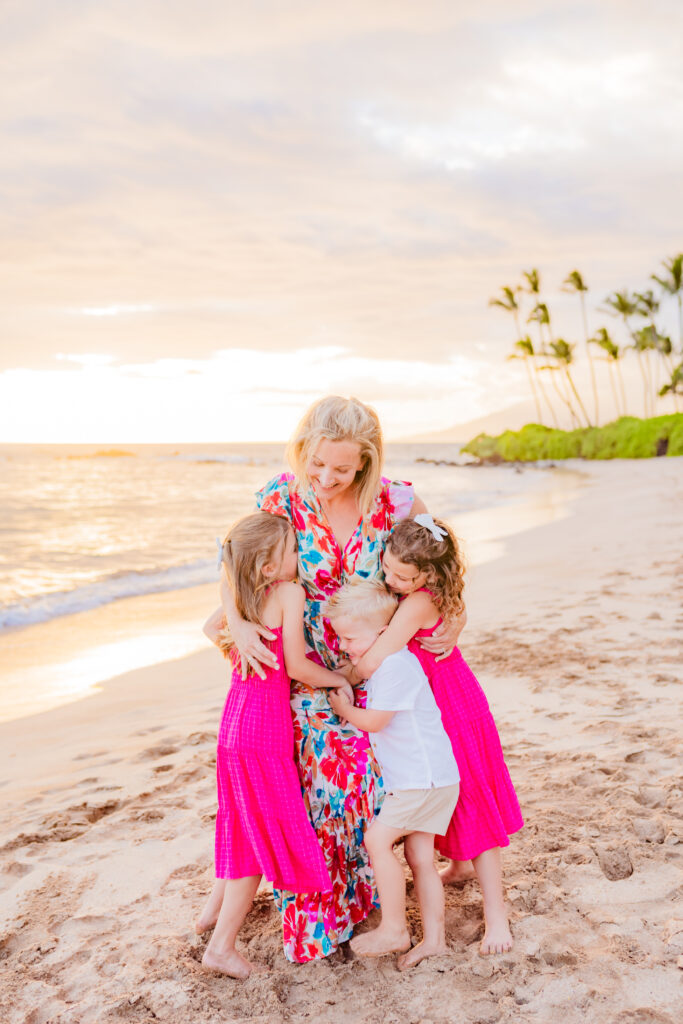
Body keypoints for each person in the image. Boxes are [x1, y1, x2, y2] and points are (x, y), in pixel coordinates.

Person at [203, 396, 465, 962]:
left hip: (373, 663)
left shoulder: (395, 500)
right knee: (312, 761)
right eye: (316, 462)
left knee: (369, 762)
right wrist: (240, 620)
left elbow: (439, 561)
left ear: (366, 462)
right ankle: (316, 904)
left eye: (341, 469)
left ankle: (365, 892)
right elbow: (234, 560)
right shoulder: (282, 494)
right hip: (300, 669)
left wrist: (457, 612)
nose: (324, 478)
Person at [346, 513, 523, 955]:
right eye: (386, 568)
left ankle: (497, 916)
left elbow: (374, 658)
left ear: (428, 574)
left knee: (474, 801)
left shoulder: (418, 601)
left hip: (449, 705)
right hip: (438, 695)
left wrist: (336, 681)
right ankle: (460, 866)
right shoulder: (422, 585)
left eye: (401, 576)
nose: (390, 579)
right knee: (457, 795)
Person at [196, 511, 352, 978]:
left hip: (233, 724)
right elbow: (298, 666)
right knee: (259, 834)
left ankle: (210, 918)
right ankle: (221, 946)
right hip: (265, 729)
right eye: (290, 550)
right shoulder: (289, 592)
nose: (298, 555)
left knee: (241, 823)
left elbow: (209, 628)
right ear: (269, 567)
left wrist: (237, 644)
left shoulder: (244, 596)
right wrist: (339, 677)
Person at [326, 579, 460, 971]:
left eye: (350, 638)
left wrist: (343, 708)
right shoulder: (391, 663)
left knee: (376, 840)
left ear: (382, 632)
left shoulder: (395, 665)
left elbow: (377, 721)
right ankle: (434, 941)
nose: (346, 646)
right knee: (419, 856)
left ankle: (395, 928)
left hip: (421, 780)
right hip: (432, 777)